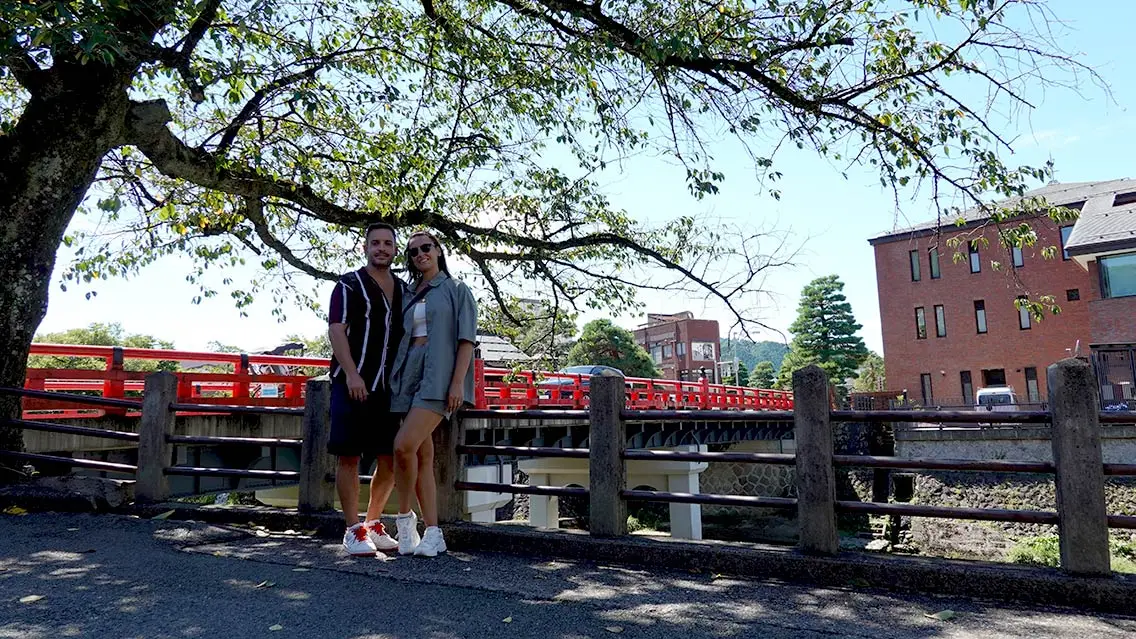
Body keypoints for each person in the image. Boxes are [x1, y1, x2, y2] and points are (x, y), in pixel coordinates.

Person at [388, 231, 478, 557]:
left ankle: (404, 520)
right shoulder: (408, 292)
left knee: (402, 446)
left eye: (426, 247)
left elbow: (466, 340)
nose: (420, 254)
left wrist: (457, 383)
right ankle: (434, 532)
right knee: (422, 456)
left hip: (438, 377)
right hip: (407, 373)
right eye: (413, 252)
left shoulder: (456, 289)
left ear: (439, 250)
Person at [327, 222, 406, 556]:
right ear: (365, 247)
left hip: (389, 387)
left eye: (388, 243)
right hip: (353, 383)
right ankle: (352, 529)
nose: (382, 248)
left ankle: (372, 523)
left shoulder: (404, 289)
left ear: (395, 249)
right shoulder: (348, 284)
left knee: (389, 457)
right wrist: (351, 374)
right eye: (376, 243)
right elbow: (337, 330)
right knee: (349, 455)